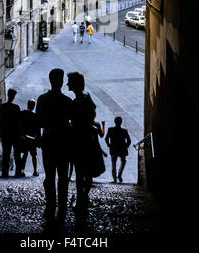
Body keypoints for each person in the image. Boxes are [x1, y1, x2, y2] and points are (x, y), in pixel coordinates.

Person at [36, 68, 73, 221]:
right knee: (63, 176)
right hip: (63, 141)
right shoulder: (67, 101)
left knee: (49, 176)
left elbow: (38, 121)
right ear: (62, 81)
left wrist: (38, 137)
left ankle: (50, 205)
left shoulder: (42, 99)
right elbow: (73, 123)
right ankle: (62, 207)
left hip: (48, 139)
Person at [67, 71, 105, 215]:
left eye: (69, 81)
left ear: (75, 84)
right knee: (87, 170)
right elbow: (92, 114)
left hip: (79, 140)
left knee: (79, 170)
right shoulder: (87, 96)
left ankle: (81, 196)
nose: (67, 84)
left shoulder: (77, 102)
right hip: (88, 139)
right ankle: (84, 195)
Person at [0, 88, 23, 178]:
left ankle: (5, 173)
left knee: (6, 154)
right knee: (17, 154)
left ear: (8, 95)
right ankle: (18, 172)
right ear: (14, 96)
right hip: (15, 134)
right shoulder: (16, 108)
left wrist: (0, 131)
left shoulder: (3, 107)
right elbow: (19, 123)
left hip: (6, 133)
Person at [105, 116, 131, 183]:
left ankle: (114, 179)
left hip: (113, 149)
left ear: (115, 122)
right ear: (121, 122)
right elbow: (129, 140)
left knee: (113, 164)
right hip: (122, 149)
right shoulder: (124, 131)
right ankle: (119, 174)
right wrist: (126, 146)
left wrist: (109, 145)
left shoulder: (110, 129)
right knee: (123, 161)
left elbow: (106, 138)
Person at [20, 99, 40, 176]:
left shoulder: (22, 114)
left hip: (24, 137)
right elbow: (37, 129)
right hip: (32, 138)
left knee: (25, 154)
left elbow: (20, 125)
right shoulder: (34, 116)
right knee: (34, 155)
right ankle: (35, 171)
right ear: (33, 106)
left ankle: (22, 170)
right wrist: (38, 139)